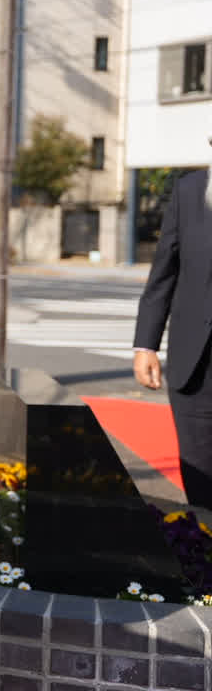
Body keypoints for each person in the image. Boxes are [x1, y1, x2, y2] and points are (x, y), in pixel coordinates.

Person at [133, 166, 212, 510]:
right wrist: (146, 344)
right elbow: (164, 272)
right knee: (200, 480)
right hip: (195, 365)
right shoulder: (189, 191)